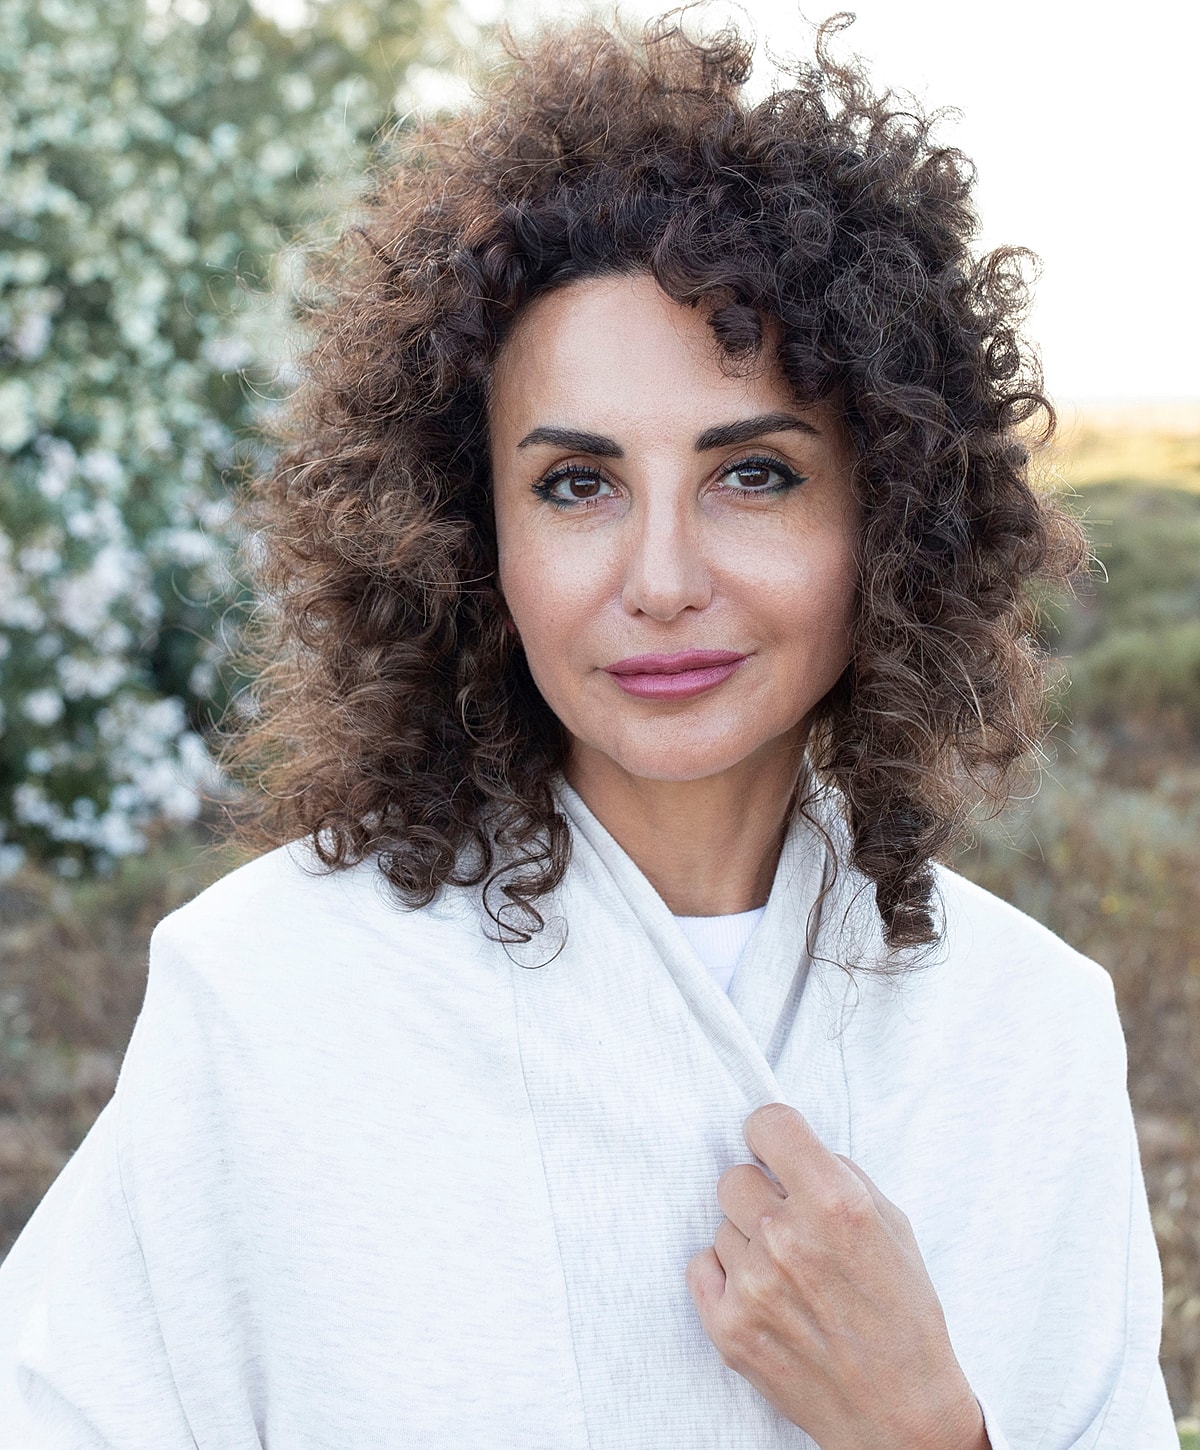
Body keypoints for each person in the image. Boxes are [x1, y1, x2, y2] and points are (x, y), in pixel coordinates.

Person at [0, 13, 1178, 1448]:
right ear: (464, 527)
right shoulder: (268, 999)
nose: (664, 578)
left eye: (754, 472)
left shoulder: (1028, 1029)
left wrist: (927, 1432)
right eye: (577, 486)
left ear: (891, 515)